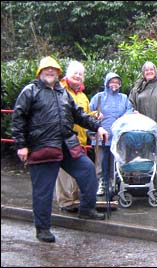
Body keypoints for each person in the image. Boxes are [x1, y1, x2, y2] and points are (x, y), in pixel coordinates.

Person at [11, 56, 109, 243]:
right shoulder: (30, 91)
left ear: (58, 73)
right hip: (42, 146)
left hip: (66, 144)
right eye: (46, 69)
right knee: (43, 191)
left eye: (53, 70)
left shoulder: (62, 93)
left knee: (87, 170)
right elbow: (18, 118)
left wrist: (98, 127)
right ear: (40, 72)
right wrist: (21, 145)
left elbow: (79, 115)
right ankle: (43, 228)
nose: (50, 72)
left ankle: (87, 210)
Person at [54, 60, 95, 212]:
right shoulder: (60, 90)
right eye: (75, 73)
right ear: (67, 74)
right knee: (64, 173)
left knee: (79, 172)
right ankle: (65, 202)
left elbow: (83, 115)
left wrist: (95, 117)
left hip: (80, 139)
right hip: (65, 139)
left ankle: (75, 199)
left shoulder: (83, 96)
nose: (77, 76)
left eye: (80, 74)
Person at [129, 61, 157, 194]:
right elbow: (130, 104)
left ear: (155, 70)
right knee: (152, 157)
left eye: (151, 69)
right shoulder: (137, 88)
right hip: (146, 129)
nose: (149, 71)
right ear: (143, 72)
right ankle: (154, 186)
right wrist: (133, 111)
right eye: (146, 70)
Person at [89, 72, 134, 199]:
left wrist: (124, 118)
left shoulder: (124, 98)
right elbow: (88, 113)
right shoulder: (98, 97)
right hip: (100, 136)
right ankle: (100, 184)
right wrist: (94, 116)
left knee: (115, 163)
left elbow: (129, 110)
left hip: (117, 137)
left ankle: (113, 184)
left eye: (117, 82)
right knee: (100, 162)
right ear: (107, 83)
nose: (114, 84)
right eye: (112, 81)